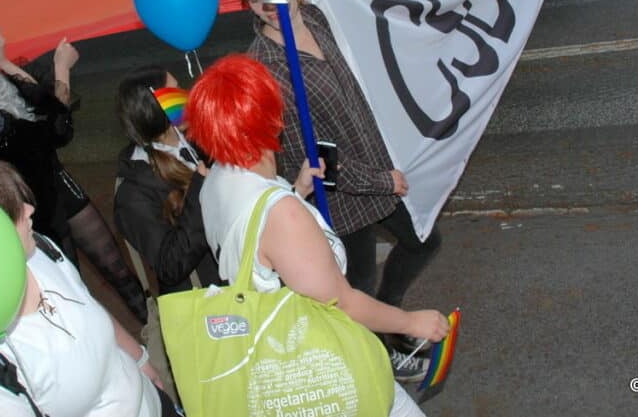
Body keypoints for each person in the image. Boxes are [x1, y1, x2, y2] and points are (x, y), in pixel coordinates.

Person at [185, 54, 450, 417]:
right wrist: (411, 322)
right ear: (270, 119)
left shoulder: (213, 182)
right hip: (319, 358)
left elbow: (259, 248)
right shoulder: (283, 215)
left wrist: (296, 191)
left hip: (273, 353)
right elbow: (343, 302)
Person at [238, 0, 443, 381]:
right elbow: (306, 155)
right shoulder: (264, 67)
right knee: (354, 291)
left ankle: (391, 317)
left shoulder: (314, 15)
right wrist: (378, 181)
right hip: (340, 196)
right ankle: (373, 368)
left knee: (424, 241)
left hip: (376, 164)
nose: (265, 6)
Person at [0, 155, 178, 417]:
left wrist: (140, 360)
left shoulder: (37, 252)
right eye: (12, 210)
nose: (29, 209)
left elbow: (85, 304)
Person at [0, 15, 147, 324]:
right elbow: (53, 131)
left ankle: (160, 331)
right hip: (30, 209)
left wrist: (4, 63)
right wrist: (61, 71)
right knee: (70, 289)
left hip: (55, 185)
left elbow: (45, 117)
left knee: (116, 267)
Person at [114, 66, 220, 294]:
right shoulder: (133, 193)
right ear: (152, 108)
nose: (186, 95)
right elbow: (170, 266)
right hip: (210, 300)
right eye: (174, 92)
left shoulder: (196, 142)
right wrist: (201, 192)